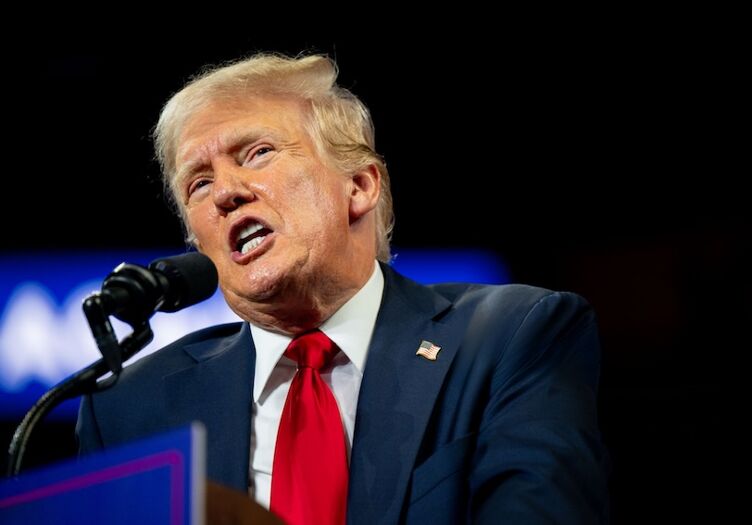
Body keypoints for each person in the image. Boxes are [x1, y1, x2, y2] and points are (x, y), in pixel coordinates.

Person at [76, 53, 609, 524]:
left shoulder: (509, 336)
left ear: (359, 186)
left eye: (257, 153)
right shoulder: (130, 409)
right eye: (199, 183)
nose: (226, 194)